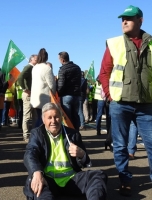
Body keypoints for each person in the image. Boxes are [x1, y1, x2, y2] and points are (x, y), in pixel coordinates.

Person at [99, 5, 152, 196]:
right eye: (122, 19)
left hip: (147, 104)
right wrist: (109, 94)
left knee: (151, 142)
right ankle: (125, 180)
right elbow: (104, 72)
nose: (124, 21)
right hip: (120, 103)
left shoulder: (151, 43)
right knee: (120, 145)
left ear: (140, 20)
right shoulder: (114, 43)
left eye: (129, 18)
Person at [23, 102, 107, 200]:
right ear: (43, 120)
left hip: (72, 180)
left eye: (56, 117)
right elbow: (30, 153)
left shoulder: (73, 134)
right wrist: (36, 172)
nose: (53, 121)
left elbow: (83, 162)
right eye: (49, 118)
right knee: (35, 183)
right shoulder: (37, 134)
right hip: (48, 181)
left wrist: (81, 154)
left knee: (98, 175)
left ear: (61, 117)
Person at [30, 48, 56, 128]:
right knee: (43, 119)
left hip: (35, 97)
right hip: (45, 97)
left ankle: (35, 134)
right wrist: (54, 93)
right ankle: (38, 135)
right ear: (47, 58)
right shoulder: (47, 68)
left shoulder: (35, 67)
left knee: (38, 117)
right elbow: (51, 84)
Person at [57, 51, 81, 130]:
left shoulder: (63, 69)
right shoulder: (77, 68)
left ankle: (70, 136)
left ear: (62, 60)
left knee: (67, 118)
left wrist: (58, 93)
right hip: (76, 95)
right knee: (76, 116)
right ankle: (76, 134)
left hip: (66, 95)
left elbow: (61, 84)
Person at [18, 54, 37, 142]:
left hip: (33, 94)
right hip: (28, 95)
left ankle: (34, 134)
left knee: (35, 116)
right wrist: (25, 89)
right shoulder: (28, 67)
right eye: (36, 59)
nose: (38, 60)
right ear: (31, 60)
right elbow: (20, 77)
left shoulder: (34, 68)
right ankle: (26, 135)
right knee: (27, 116)